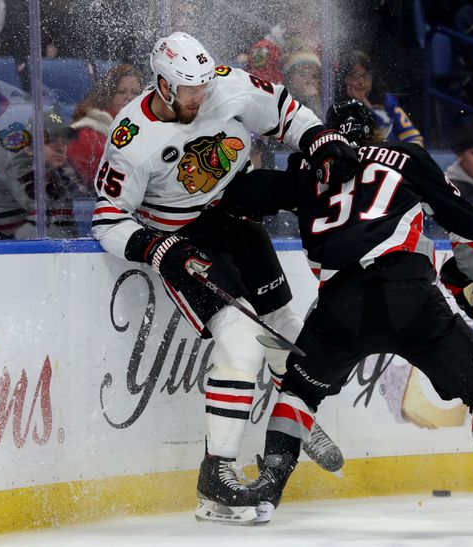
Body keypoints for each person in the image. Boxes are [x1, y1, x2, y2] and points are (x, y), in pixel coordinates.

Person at [223, 99, 473, 533]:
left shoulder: (305, 170)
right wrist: (463, 276)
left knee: (298, 392)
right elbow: (469, 227)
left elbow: (236, 196)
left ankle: (266, 489)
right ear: (375, 133)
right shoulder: (405, 155)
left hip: (340, 305)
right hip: (409, 297)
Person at [90, 31, 358, 525]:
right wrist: (154, 246)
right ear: (163, 85)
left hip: (232, 214)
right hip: (180, 238)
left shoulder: (225, 85)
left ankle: (297, 416)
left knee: (284, 323)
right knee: (241, 333)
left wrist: (321, 140)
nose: (200, 95)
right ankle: (218, 475)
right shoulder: (131, 138)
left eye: (202, 86)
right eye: (188, 89)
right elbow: (107, 220)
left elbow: (284, 111)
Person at [0, 109, 87, 239]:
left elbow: (69, 236)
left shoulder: (58, 182)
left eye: (64, 141)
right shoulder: (12, 179)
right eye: (51, 139)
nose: (60, 146)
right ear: (30, 148)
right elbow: (25, 240)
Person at [67, 64, 144, 189]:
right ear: (108, 96)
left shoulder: (146, 128)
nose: (129, 98)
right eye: (121, 92)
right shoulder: (89, 132)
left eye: (135, 93)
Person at [338, 49, 424, 146]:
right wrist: (365, 108)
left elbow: (413, 137)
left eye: (366, 75)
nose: (362, 81)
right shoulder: (337, 110)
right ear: (344, 79)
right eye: (356, 76)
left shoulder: (386, 100)